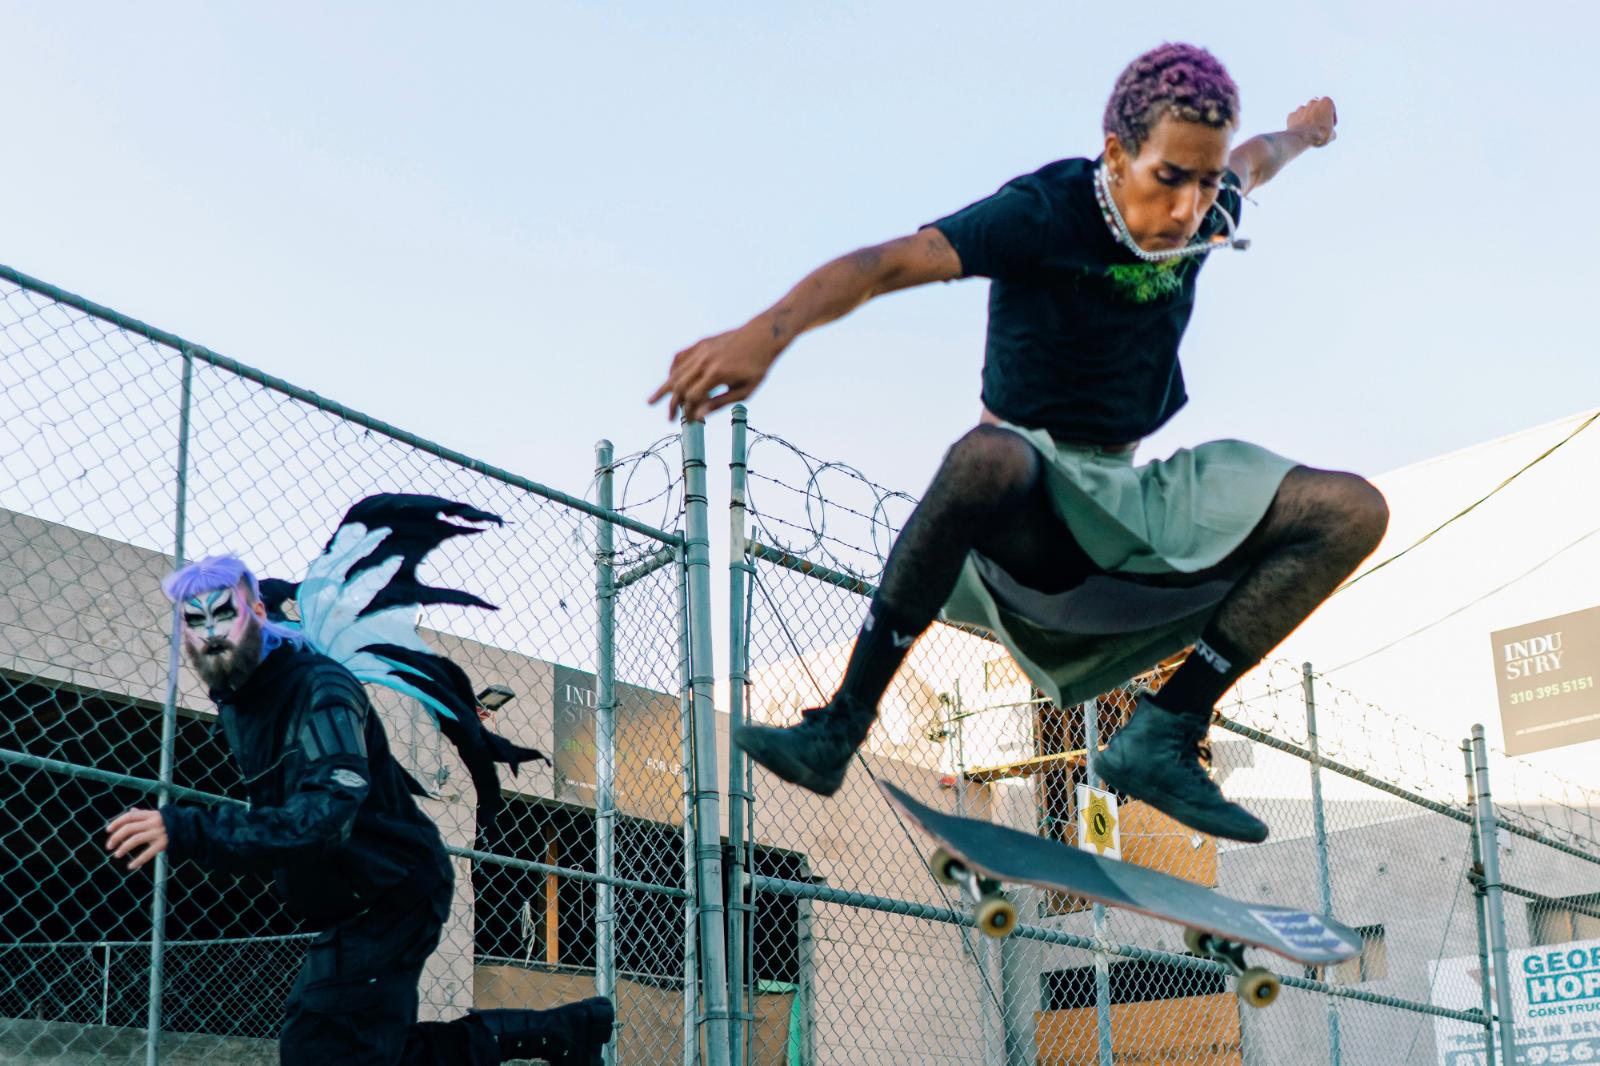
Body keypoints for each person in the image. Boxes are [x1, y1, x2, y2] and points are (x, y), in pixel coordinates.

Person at [650, 43, 1388, 843]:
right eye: (1168, 179)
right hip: (1030, 507)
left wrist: (1305, 133)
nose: (1187, 209)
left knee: (1352, 510)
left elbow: (1257, 159)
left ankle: (1162, 733)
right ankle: (839, 725)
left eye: (1204, 183)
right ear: (1116, 155)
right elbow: (883, 263)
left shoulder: (1210, 208)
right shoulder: (1044, 211)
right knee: (987, 454)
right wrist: (765, 334)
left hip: (1132, 496)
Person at [104, 555, 614, 1065]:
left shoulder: (319, 689)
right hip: (355, 893)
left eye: (225, 614)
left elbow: (327, 813)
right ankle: (559, 1031)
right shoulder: (241, 698)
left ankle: (556, 1032)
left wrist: (188, 828)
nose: (213, 633)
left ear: (258, 611)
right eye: (196, 621)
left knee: (320, 1049)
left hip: (395, 888)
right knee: (364, 1052)